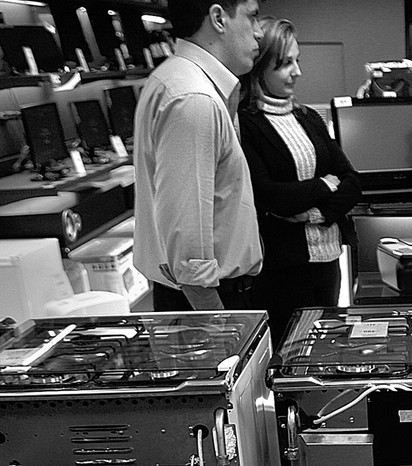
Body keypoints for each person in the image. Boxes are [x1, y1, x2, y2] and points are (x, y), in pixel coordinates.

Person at [133, 0, 264, 311]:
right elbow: (189, 245)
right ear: (218, 18)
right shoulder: (194, 97)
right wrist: (218, 326)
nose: (259, 33)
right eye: (252, 17)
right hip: (205, 304)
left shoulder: (184, 81)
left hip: (200, 299)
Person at [239, 17, 362, 345]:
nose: (297, 72)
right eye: (285, 64)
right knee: (284, 356)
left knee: (322, 352)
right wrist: (325, 184)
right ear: (260, 68)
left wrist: (314, 213)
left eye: (297, 61)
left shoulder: (308, 117)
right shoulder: (246, 123)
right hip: (282, 269)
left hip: (328, 260)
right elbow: (270, 195)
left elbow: (352, 182)